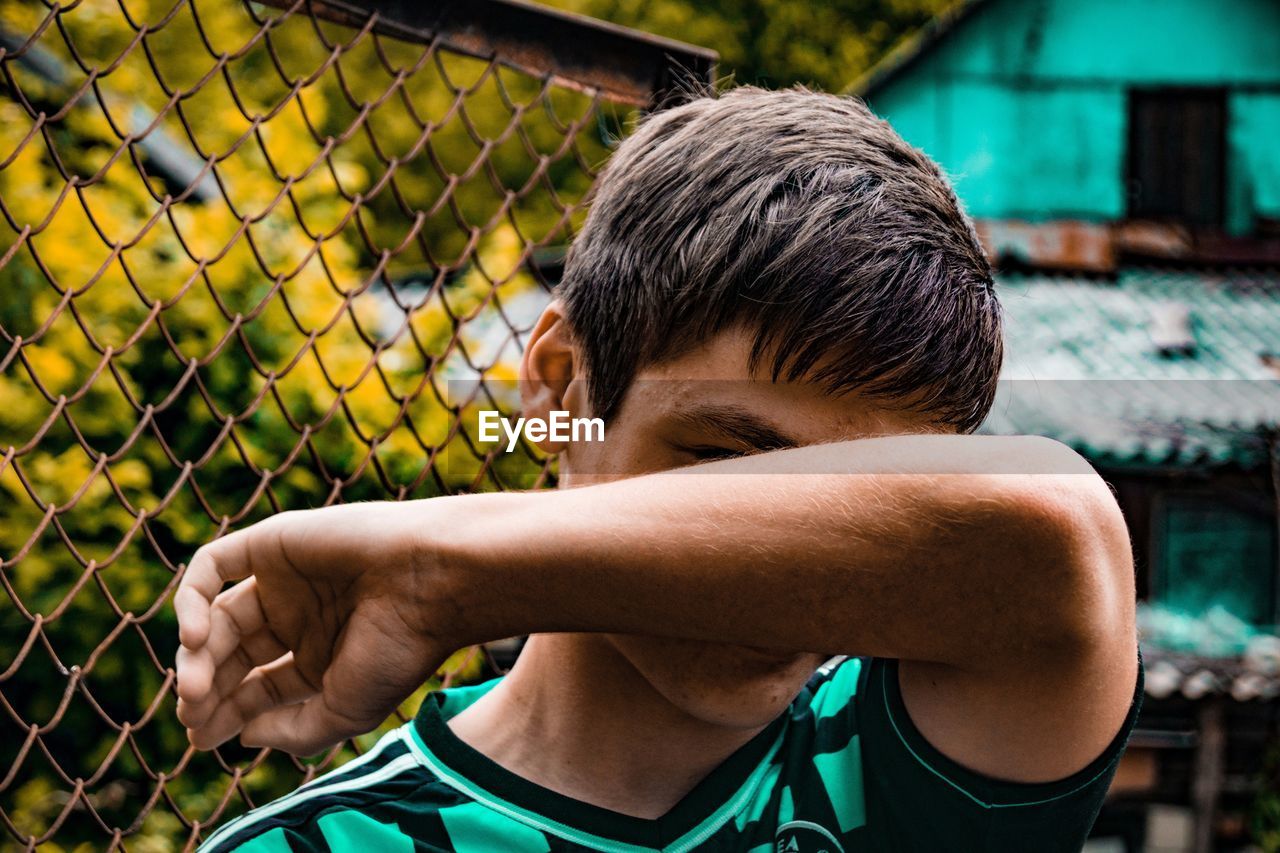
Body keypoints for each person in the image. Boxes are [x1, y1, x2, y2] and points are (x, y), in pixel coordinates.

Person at [174, 87, 1141, 852]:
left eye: (854, 504)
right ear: (557, 387)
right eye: (727, 465)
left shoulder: (910, 762)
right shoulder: (323, 847)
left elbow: (1054, 534)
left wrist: (446, 575)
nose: (782, 560)